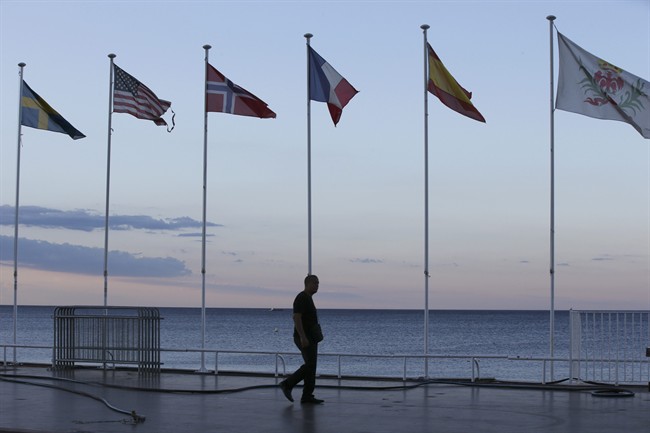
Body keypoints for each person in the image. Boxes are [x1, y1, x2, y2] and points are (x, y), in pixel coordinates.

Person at [279, 274, 324, 404]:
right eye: (315, 283)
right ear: (307, 283)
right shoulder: (302, 297)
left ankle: (307, 396)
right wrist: (303, 337)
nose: (317, 285)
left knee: (312, 366)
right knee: (310, 365)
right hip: (304, 337)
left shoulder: (308, 298)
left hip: (311, 338)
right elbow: (296, 317)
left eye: (318, 283)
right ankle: (287, 384)